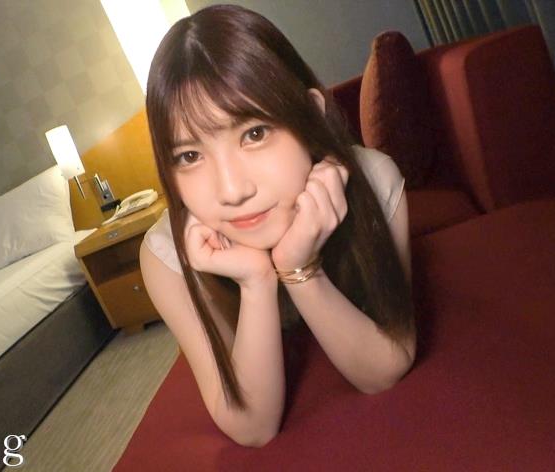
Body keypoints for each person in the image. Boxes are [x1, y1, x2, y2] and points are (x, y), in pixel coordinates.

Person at [139, 4, 415, 447]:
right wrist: (256, 281)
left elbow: (385, 369)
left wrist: (299, 268)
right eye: (189, 156)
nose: (232, 191)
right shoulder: (167, 254)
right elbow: (253, 429)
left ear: (310, 116)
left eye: (254, 133)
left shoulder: (375, 180)